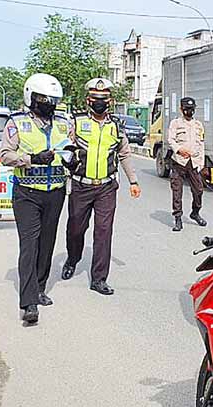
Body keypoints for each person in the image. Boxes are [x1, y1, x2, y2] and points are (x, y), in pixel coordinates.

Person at [0, 73, 72, 325]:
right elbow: (5, 155)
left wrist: (75, 159)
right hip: (27, 193)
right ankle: (28, 302)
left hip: (56, 191)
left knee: (47, 242)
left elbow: (70, 149)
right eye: (43, 99)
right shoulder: (17, 123)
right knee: (29, 245)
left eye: (52, 100)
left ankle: (40, 286)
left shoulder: (64, 122)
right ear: (31, 97)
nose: (48, 104)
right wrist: (31, 159)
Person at [61, 78, 141, 296]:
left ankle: (99, 278)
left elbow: (124, 154)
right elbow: (64, 148)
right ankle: (73, 258)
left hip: (106, 187)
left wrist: (133, 181)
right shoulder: (75, 123)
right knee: (76, 228)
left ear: (110, 101)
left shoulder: (117, 126)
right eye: (96, 99)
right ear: (88, 100)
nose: (100, 103)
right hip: (81, 186)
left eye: (104, 99)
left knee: (103, 232)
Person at [166, 97, 207, 231]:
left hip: (194, 162)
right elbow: (170, 140)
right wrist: (179, 149)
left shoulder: (198, 125)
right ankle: (178, 218)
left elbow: (201, 145)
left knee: (199, 190)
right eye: (186, 109)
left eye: (191, 109)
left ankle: (195, 212)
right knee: (177, 192)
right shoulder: (175, 123)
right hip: (179, 162)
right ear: (181, 109)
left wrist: (201, 164)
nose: (189, 111)